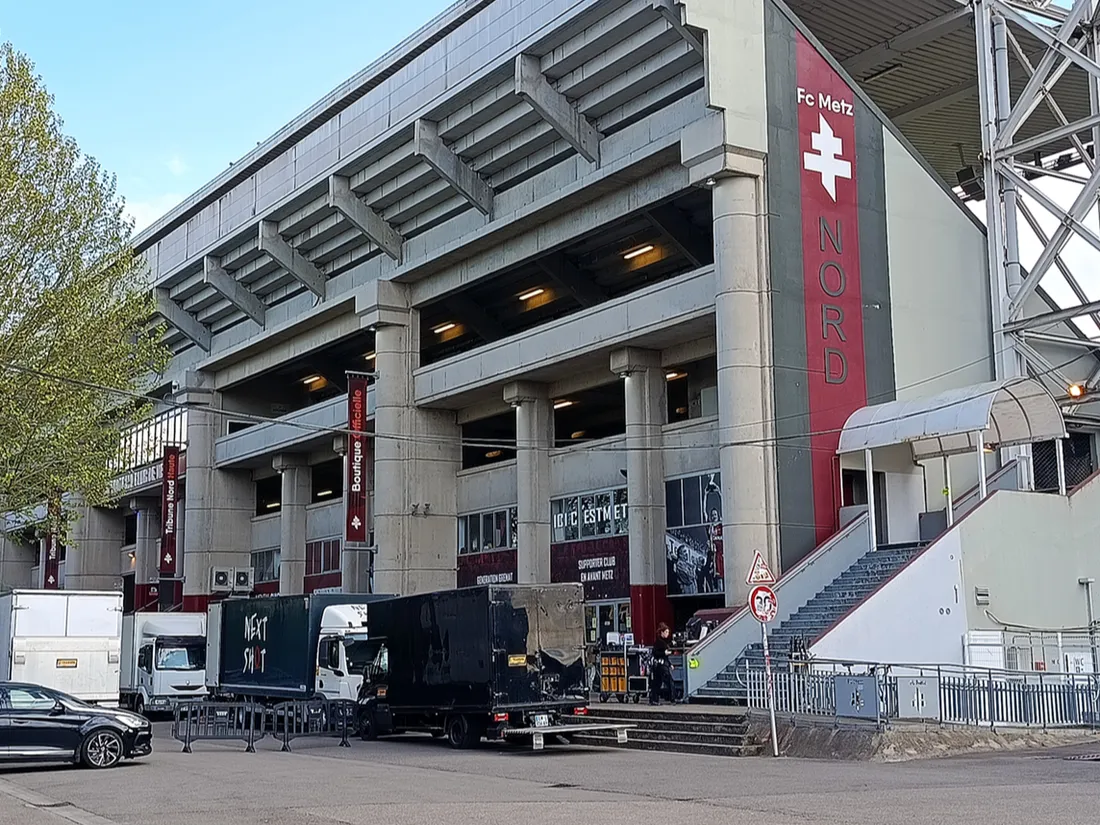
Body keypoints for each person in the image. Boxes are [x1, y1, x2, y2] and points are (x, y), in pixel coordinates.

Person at [649, 623, 673, 705]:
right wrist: (664, 653)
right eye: (666, 632)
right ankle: (656, 699)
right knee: (659, 682)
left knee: (658, 683)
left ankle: (655, 699)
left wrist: (670, 664)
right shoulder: (659, 642)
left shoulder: (663, 642)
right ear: (662, 632)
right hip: (659, 665)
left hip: (661, 664)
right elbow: (655, 653)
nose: (667, 634)